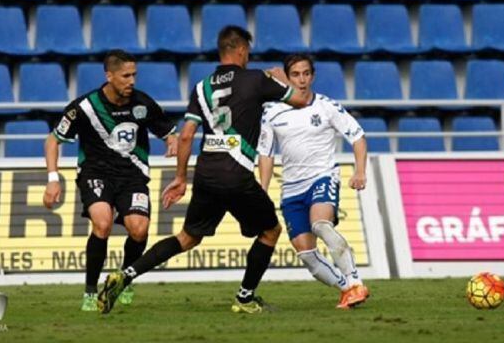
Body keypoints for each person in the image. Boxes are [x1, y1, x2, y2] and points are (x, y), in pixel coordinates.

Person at [97, 26, 308, 314]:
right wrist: (280, 78)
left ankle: (124, 276)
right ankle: (244, 299)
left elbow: (185, 136)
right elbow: (302, 100)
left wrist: (181, 178)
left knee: (187, 237)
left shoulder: (202, 86)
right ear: (241, 49)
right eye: (248, 51)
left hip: (207, 173)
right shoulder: (257, 79)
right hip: (236, 174)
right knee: (271, 231)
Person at [42, 50, 177, 311]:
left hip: (132, 176)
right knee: (102, 224)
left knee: (139, 229)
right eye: (126, 75)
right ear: (109, 75)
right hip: (96, 174)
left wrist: (172, 142)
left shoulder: (142, 103)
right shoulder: (84, 107)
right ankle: (91, 291)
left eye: (134, 75)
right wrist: (52, 178)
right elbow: (52, 140)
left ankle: (124, 279)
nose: (132, 81)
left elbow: (170, 132)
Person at [257, 54, 369, 310]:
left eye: (306, 73)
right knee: (306, 254)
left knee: (321, 224)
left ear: (313, 75)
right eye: (295, 74)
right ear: (287, 77)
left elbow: (358, 136)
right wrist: (262, 189)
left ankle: (356, 282)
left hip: (322, 176)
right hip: (291, 188)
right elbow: (266, 153)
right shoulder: (272, 111)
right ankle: (347, 289)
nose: (302, 79)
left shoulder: (327, 106)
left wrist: (360, 171)